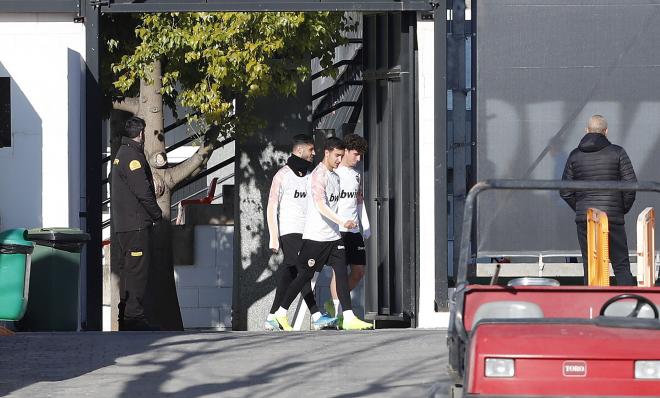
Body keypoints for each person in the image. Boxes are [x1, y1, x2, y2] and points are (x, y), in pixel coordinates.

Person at [273, 137, 373, 330]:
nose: (338, 160)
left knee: (342, 273)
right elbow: (320, 205)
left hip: (335, 237)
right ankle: (280, 312)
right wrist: (342, 221)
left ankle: (349, 316)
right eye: (337, 155)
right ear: (326, 153)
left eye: (341, 156)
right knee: (303, 275)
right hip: (316, 237)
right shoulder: (318, 175)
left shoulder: (336, 176)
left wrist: (355, 225)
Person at [264, 134, 336, 331]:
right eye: (311, 150)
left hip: (308, 231)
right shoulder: (282, 175)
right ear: (300, 150)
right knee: (305, 270)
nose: (314, 153)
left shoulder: (312, 175)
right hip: (290, 231)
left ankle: (271, 316)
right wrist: (273, 235)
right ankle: (316, 314)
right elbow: (271, 207)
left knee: (290, 272)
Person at [560, 114, 637, 286]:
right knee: (621, 265)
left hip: (586, 220)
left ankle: (593, 307)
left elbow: (565, 191)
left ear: (586, 130)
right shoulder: (618, 152)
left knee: (590, 266)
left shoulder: (574, 155)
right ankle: (631, 304)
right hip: (613, 218)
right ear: (606, 131)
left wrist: (582, 208)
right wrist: (620, 208)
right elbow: (631, 186)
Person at [111, 116, 163, 330]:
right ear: (141, 134)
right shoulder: (132, 157)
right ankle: (134, 318)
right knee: (137, 272)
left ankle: (126, 317)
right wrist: (157, 214)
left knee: (128, 270)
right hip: (136, 225)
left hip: (124, 226)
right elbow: (142, 191)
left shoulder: (120, 154)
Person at [324, 134, 370, 319]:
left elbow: (358, 201)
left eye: (361, 156)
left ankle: (333, 303)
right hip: (338, 230)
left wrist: (366, 226)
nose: (358, 159)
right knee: (340, 272)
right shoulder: (334, 174)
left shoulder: (357, 175)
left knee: (359, 272)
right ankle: (338, 312)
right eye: (356, 154)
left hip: (354, 230)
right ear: (345, 152)